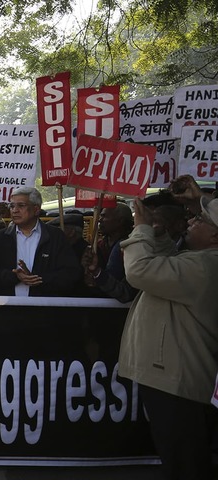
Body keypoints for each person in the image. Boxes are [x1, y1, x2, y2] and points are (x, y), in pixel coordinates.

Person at [118, 184, 218, 480]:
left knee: (184, 463)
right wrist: (158, 234)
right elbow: (166, 264)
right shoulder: (198, 260)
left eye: (200, 220)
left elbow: (140, 271)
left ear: (215, 236)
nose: (191, 221)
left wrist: (141, 230)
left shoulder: (205, 266)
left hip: (179, 379)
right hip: (176, 375)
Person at [0, 187, 80, 296]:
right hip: (9, 307)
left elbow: (70, 274)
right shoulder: (1, 237)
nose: (15, 210)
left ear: (36, 209)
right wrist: (15, 276)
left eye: (21, 205)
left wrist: (37, 278)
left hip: (43, 307)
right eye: (12, 206)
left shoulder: (55, 236)